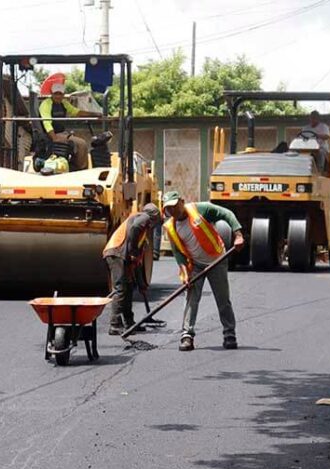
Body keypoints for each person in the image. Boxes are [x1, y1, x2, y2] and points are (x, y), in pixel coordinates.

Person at [161, 191, 245, 351]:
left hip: (216, 260)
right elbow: (178, 253)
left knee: (223, 300)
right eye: (168, 209)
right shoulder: (171, 227)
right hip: (195, 265)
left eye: (174, 206)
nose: (172, 211)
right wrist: (185, 273)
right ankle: (187, 336)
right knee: (191, 299)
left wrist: (238, 234)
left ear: (181, 201)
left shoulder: (200, 209)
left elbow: (227, 214)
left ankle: (229, 335)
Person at [102, 203, 162, 335]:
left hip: (123, 256)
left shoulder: (143, 231)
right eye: (156, 219)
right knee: (120, 289)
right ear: (154, 216)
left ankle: (129, 323)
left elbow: (138, 263)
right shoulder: (143, 217)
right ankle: (115, 324)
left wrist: (142, 284)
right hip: (116, 253)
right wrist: (133, 250)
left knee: (129, 288)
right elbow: (134, 228)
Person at [39, 83, 101, 171]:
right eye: (56, 94)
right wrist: (54, 138)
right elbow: (47, 122)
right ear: (52, 94)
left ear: (63, 95)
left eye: (60, 94)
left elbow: (76, 112)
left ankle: (74, 168)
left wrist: (95, 114)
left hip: (63, 133)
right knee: (81, 144)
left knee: (79, 142)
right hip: (52, 134)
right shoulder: (46, 104)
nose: (58, 96)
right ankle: (82, 170)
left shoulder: (64, 103)